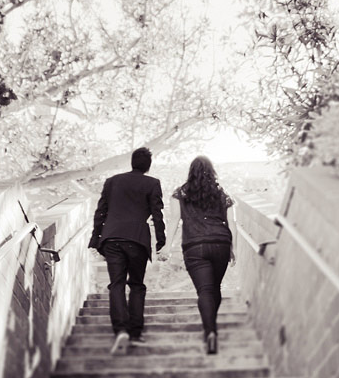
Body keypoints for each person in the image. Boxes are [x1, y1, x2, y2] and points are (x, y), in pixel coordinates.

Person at [88, 146, 167, 355]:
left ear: (132, 162)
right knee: (137, 285)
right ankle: (135, 333)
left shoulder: (112, 181)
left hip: (112, 238)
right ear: (148, 166)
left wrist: (95, 239)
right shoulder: (152, 183)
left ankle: (120, 329)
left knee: (116, 284)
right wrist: (161, 241)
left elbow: (100, 212)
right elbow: (157, 215)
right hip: (138, 240)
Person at [171, 155, 237, 355]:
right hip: (220, 243)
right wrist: (233, 248)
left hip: (194, 246)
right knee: (214, 288)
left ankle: (210, 331)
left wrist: (166, 246)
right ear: (212, 171)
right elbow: (232, 223)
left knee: (205, 290)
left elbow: (174, 220)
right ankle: (211, 329)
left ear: (191, 172)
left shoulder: (179, 193)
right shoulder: (222, 193)